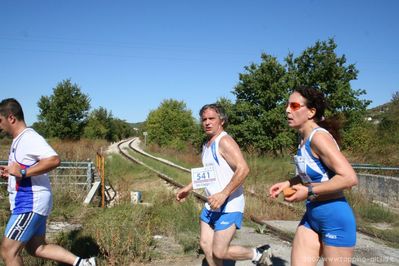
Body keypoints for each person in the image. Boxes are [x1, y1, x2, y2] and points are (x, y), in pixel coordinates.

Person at [269, 86, 358, 266]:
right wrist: (288, 182)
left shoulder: (318, 138)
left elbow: (349, 178)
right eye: (287, 105)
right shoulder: (303, 139)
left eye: (294, 106)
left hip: (335, 219)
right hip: (312, 216)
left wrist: (308, 191)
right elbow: (314, 175)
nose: (287, 110)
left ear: (311, 112)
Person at [0, 98, 96, 266]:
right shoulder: (18, 140)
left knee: (8, 250)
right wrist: (12, 174)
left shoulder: (28, 137)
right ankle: (83, 264)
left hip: (29, 203)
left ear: (11, 118)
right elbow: (25, 169)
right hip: (31, 200)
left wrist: (22, 172)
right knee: (36, 247)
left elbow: (54, 160)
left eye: (0, 120)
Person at [176, 103, 272, 266]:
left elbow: (243, 169)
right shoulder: (207, 145)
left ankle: (257, 253)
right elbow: (207, 174)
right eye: (204, 119)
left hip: (229, 204)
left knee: (219, 251)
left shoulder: (224, 141)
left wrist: (223, 194)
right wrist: (188, 188)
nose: (207, 122)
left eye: (211, 118)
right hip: (212, 204)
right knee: (206, 246)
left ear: (221, 120)